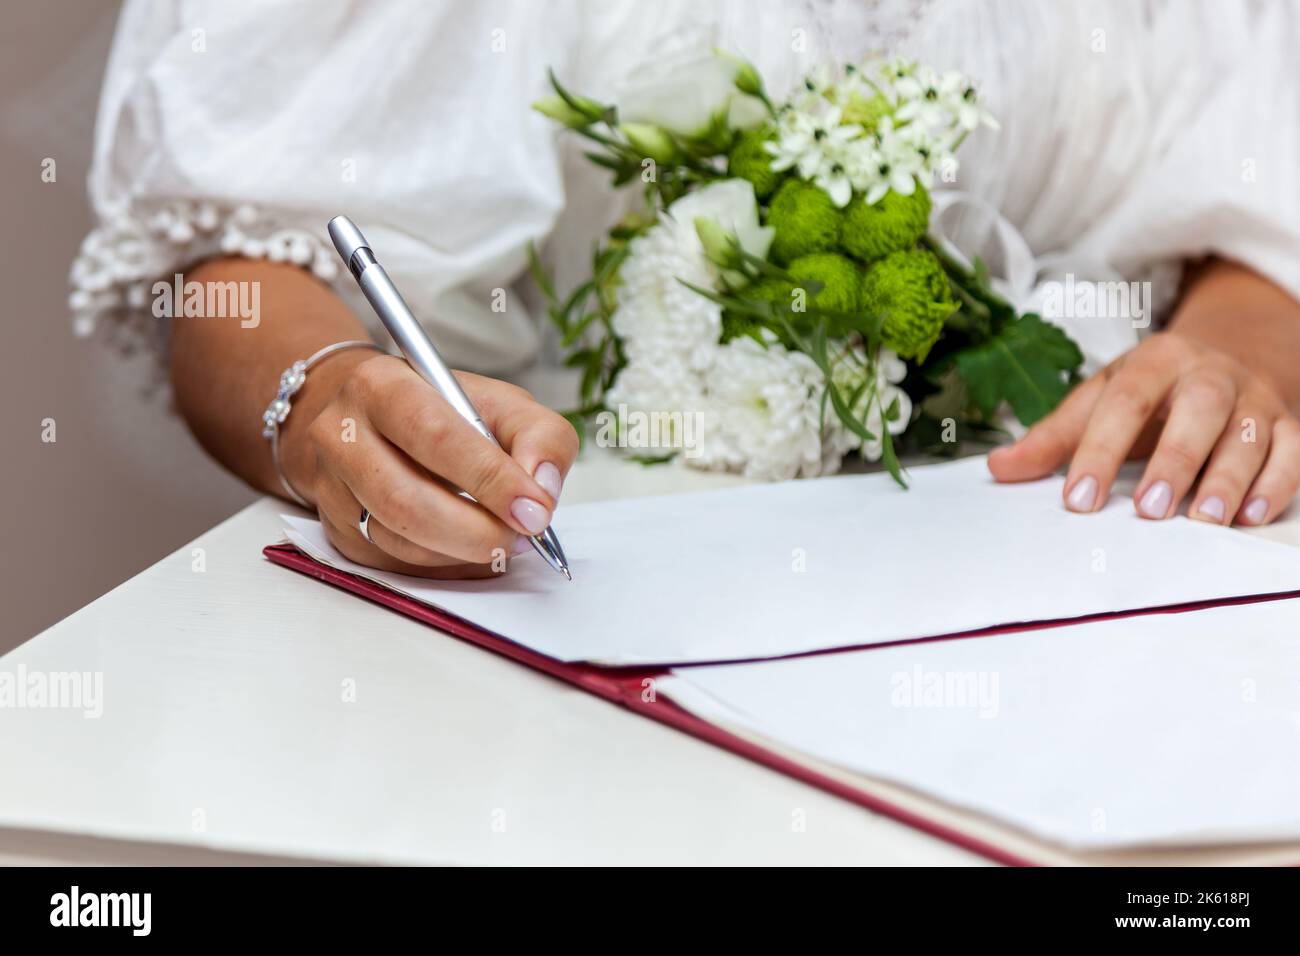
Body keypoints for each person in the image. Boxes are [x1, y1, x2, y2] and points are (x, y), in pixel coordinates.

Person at [72, 0, 1300, 579]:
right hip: (575, 611)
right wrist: (331, 400)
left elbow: (1257, 131)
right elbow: (236, 260)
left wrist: (1243, 333)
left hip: (1108, 576)